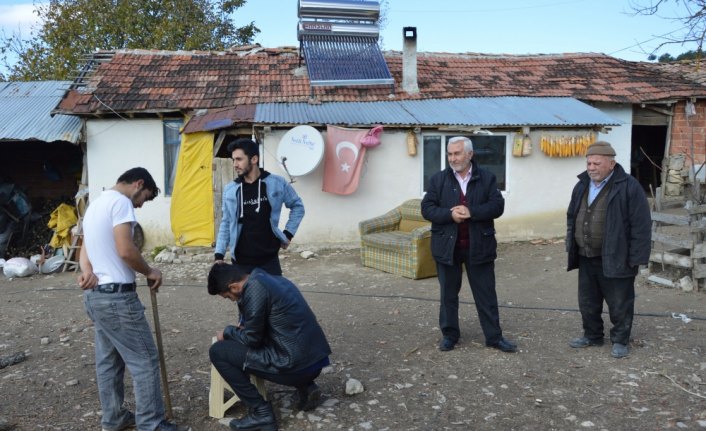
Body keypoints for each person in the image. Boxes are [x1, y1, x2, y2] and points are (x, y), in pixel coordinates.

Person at [77, 167, 191, 431]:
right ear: (138, 184)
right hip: (117, 299)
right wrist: (151, 271)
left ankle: (114, 418)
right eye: (145, 197)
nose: (140, 205)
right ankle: (151, 424)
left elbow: (85, 246)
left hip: (97, 297)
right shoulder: (120, 202)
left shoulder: (97, 203)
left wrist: (87, 271)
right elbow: (126, 250)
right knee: (145, 359)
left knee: (109, 362)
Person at [207, 264, 332, 431]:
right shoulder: (269, 278)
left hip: (295, 367)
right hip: (315, 362)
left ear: (234, 287)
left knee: (218, 351)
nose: (233, 300)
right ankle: (307, 387)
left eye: (229, 297)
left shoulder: (254, 290)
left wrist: (228, 331)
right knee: (280, 338)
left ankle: (261, 413)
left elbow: (252, 340)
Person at [421, 136, 517, 353]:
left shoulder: (487, 178)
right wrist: (448, 214)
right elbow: (427, 209)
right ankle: (449, 335)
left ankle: (494, 337)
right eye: (450, 154)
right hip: (447, 246)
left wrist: (472, 212)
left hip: (479, 245)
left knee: (486, 294)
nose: (452, 158)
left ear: (470, 155)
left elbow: (497, 206)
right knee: (448, 294)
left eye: (457, 153)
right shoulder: (438, 179)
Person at [566, 141, 651, 359]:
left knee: (619, 302)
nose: (591, 167)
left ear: (611, 164)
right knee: (588, 301)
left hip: (617, 256)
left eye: (596, 163)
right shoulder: (582, 185)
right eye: (589, 163)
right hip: (586, 255)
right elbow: (571, 216)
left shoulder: (629, 186)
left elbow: (641, 225)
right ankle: (592, 335)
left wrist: (637, 258)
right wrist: (571, 243)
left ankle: (620, 339)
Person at [215, 138, 305, 275]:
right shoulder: (231, 190)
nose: (235, 164)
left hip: (269, 261)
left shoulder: (277, 183)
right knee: (247, 297)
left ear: (254, 159)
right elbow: (226, 222)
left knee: (274, 296)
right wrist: (219, 255)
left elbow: (298, 206)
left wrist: (287, 234)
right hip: (241, 262)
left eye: (239, 159)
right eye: (233, 160)